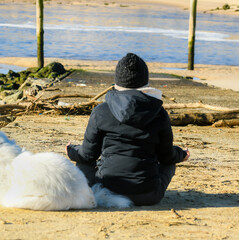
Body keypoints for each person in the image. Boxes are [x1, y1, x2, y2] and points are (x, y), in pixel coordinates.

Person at [66, 53, 190, 206]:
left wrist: (71, 150)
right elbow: (166, 157)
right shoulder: (159, 113)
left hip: (105, 190)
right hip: (148, 195)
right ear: (146, 81)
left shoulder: (101, 111)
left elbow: (87, 155)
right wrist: (182, 154)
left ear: (117, 80)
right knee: (170, 163)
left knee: (82, 163)